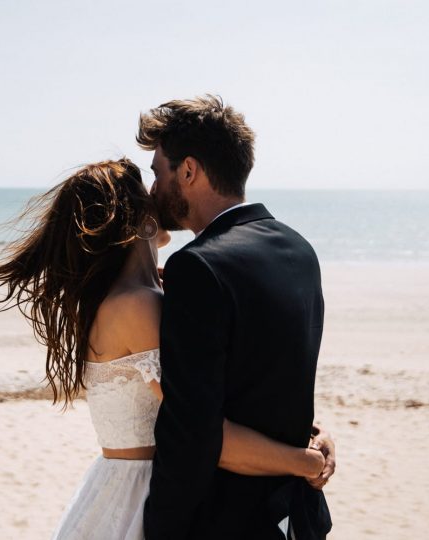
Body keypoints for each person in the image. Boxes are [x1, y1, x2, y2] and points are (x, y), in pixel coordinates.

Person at [0, 157, 335, 539]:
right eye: (147, 189)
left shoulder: (129, 297)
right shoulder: (138, 306)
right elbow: (202, 429)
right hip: (145, 493)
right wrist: (305, 462)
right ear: (140, 221)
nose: (157, 193)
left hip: (115, 486)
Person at [138, 95, 332, 539]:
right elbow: (276, 386)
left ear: (188, 171)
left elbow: (197, 438)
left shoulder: (198, 267)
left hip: (226, 523)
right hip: (295, 516)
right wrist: (315, 442)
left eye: (157, 172)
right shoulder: (299, 249)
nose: (152, 190)